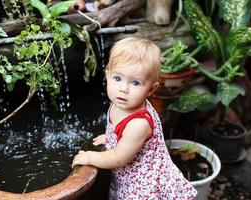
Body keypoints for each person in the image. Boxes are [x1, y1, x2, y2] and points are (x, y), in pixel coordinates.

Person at [72, 37, 197, 199]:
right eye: (117, 78)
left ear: (151, 89)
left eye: (135, 83)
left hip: (143, 189)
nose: (123, 89)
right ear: (107, 75)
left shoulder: (138, 123)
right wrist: (111, 138)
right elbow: (121, 135)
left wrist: (90, 157)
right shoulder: (121, 102)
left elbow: (118, 159)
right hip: (130, 179)